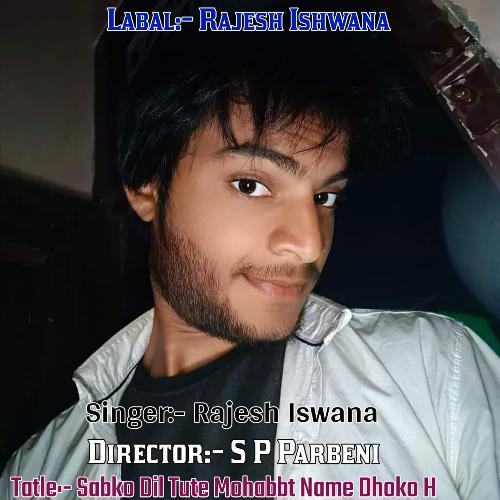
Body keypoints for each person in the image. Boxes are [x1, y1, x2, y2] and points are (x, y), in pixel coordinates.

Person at [1, 38, 499, 500]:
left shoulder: (436, 371)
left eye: (325, 197)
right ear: (147, 188)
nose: (308, 243)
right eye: (251, 185)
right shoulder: (39, 473)